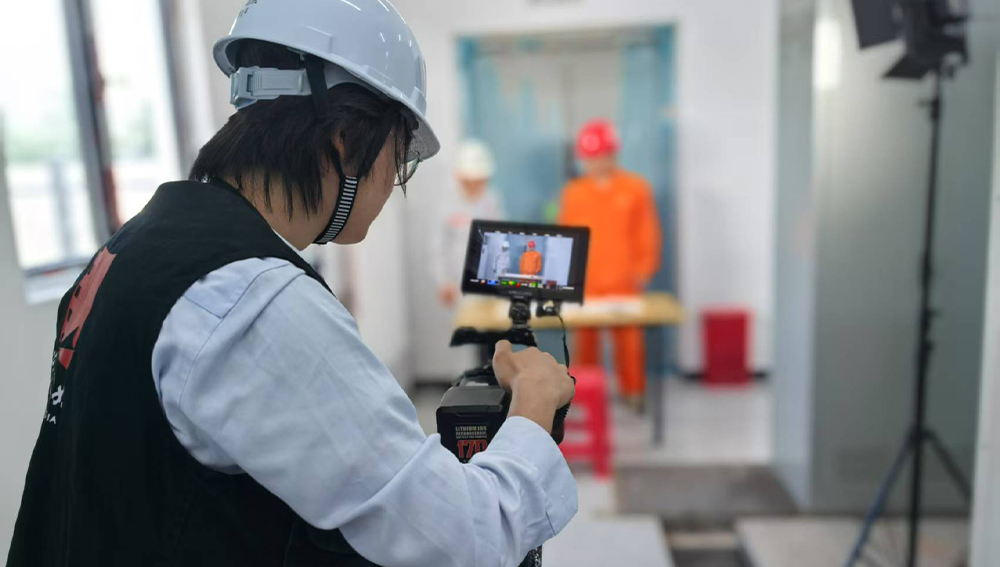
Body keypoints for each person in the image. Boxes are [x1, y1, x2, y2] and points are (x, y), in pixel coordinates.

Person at [6, 2, 576, 566]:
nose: (392, 184)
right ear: (347, 141)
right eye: (399, 158)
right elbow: (458, 538)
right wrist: (534, 400)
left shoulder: (138, 245)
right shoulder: (251, 296)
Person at [558, 119, 662, 411]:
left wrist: (644, 268)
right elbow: (565, 235)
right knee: (585, 342)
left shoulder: (636, 189)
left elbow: (648, 231)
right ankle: (585, 396)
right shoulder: (574, 193)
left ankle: (633, 392)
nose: (597, 163)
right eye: (591, 158)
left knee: (629, 341)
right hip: (586, 281)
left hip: (624, 279)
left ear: (614, 154)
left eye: (603, 156)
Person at [431, 139, 503, 307]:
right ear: (461, 178)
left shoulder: (491, 200)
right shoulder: (447, 204)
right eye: (472, 180)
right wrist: (443, 282)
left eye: (480, 180)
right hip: (458, 290)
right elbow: (438, 247)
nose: (476, 185)